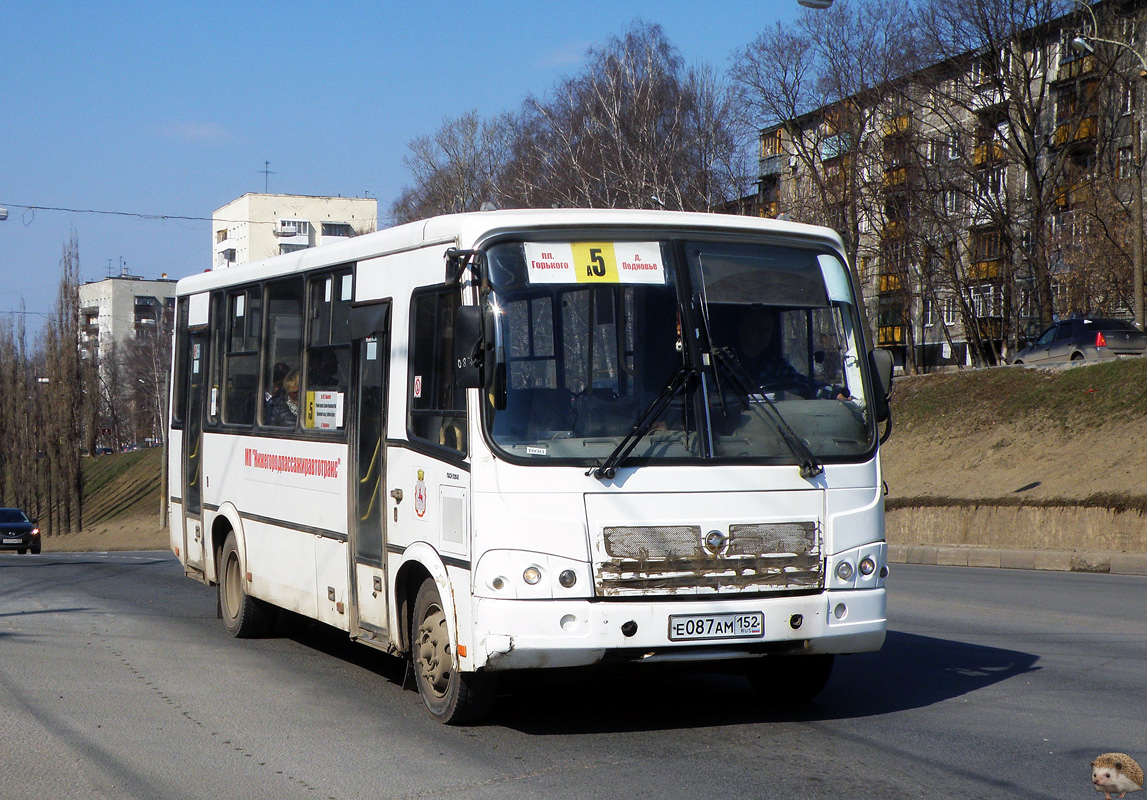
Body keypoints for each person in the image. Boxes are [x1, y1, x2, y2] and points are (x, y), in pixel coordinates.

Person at [727, 308, 849, 400]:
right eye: (756, 328)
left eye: (768, 329)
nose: (763, 334)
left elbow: (803, 383)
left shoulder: (774, 365)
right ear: (742, 329)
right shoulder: (725, 364)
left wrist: (834, 393)